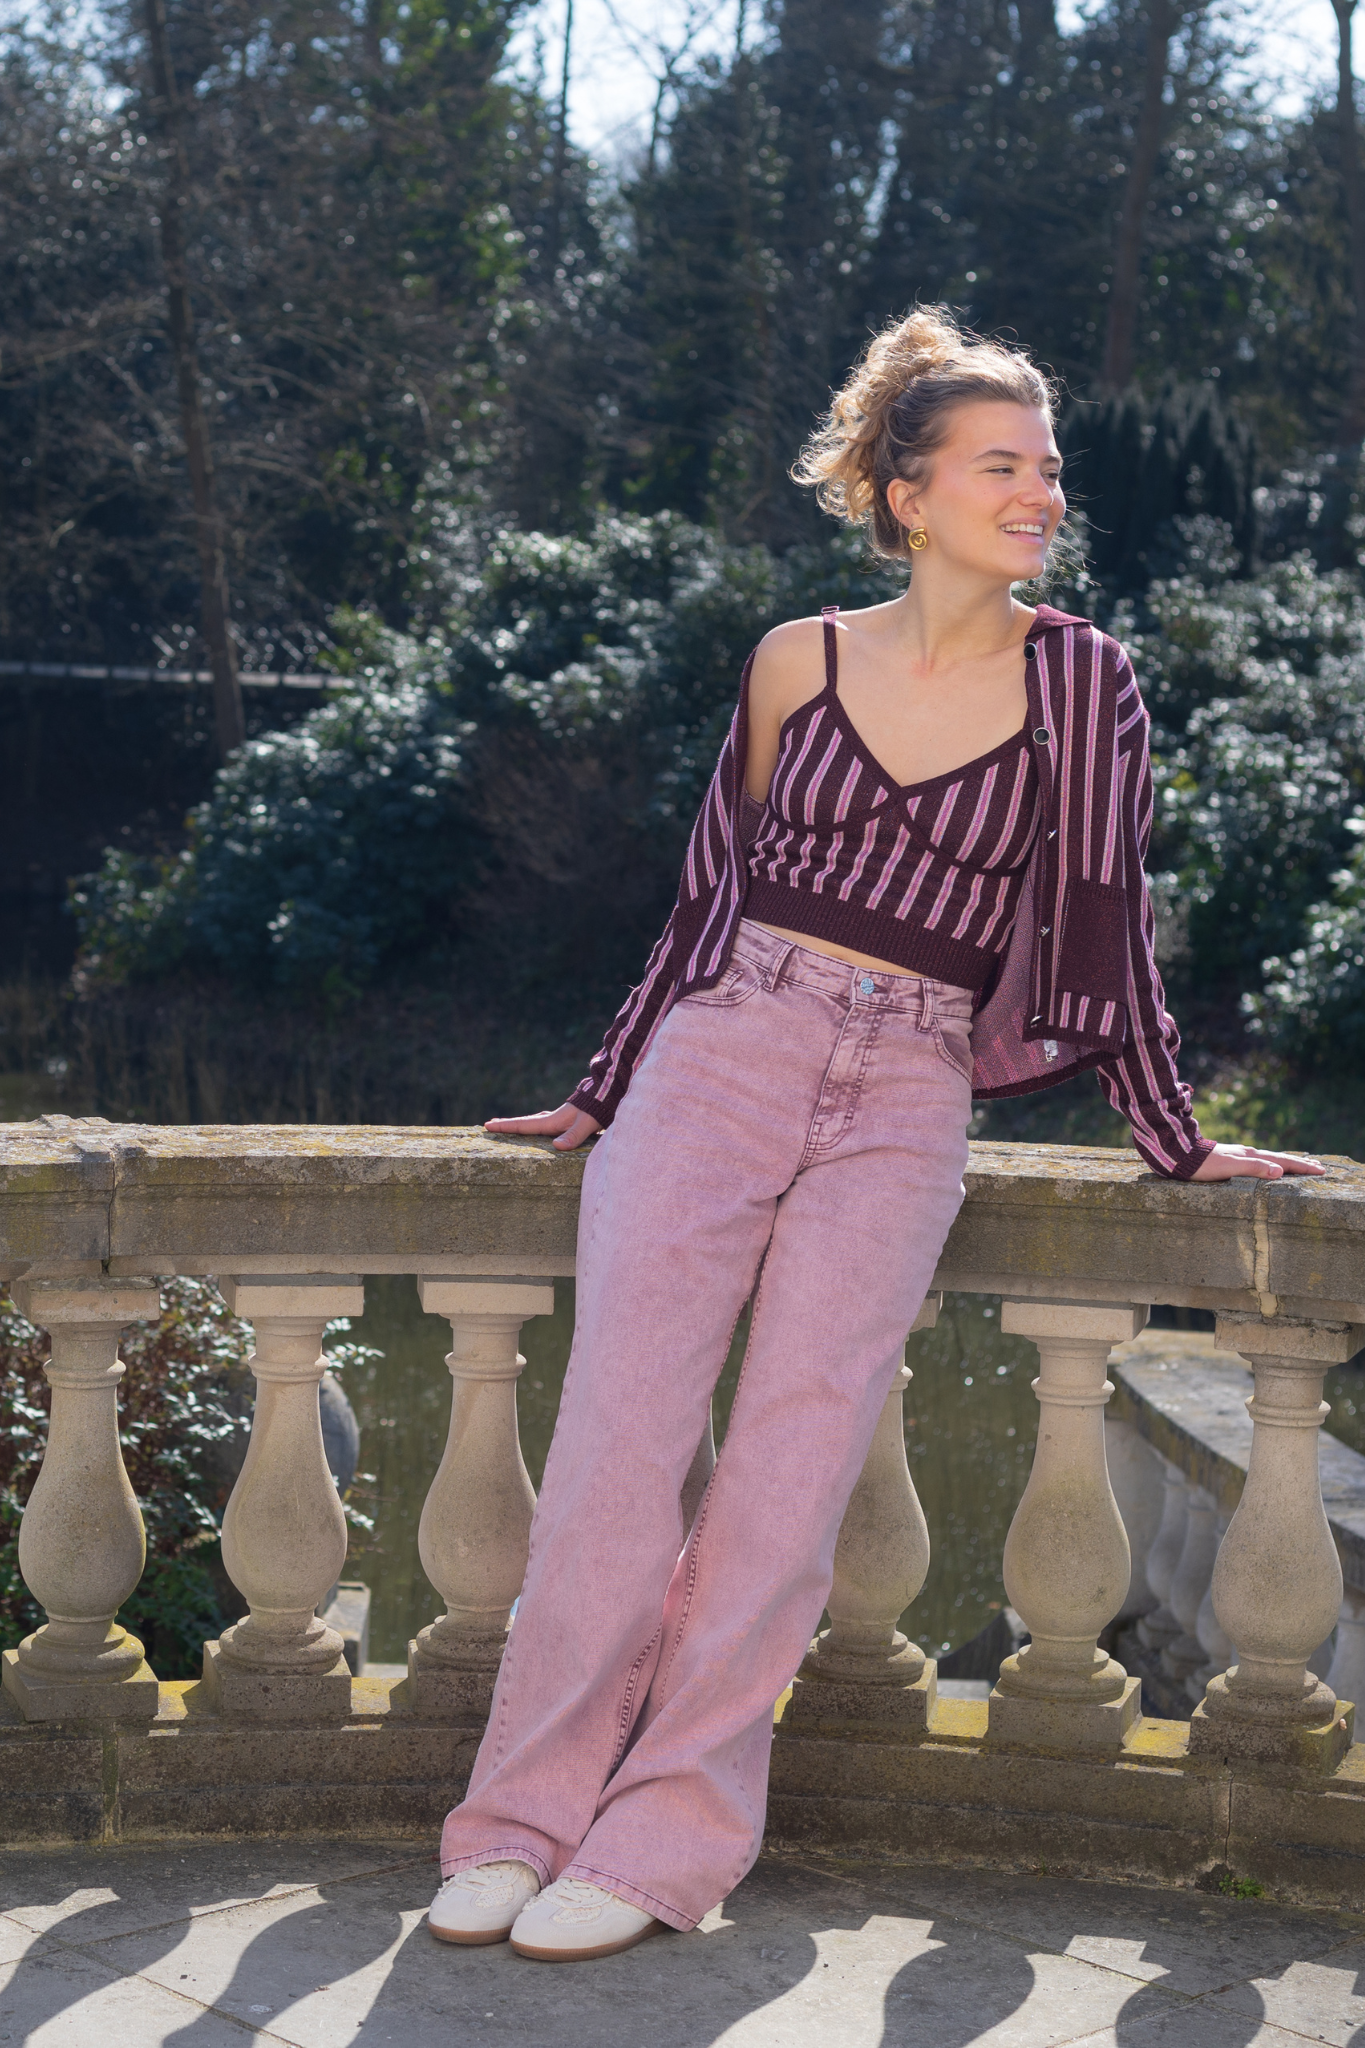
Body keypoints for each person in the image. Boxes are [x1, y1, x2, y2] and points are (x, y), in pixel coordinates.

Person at [427, 307, 1323, 1963]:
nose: (1039, 491)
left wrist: (1173, 1137)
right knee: (619, 1457)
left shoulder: (1088, 688)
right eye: (1002, 465)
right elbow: (704, 907)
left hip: (907, 1094)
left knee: (787, 1488)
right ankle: (517, 1822)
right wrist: (610, 1083)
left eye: (1048, 467)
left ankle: (661, 1847)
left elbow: (1112, 929)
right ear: (908, 495)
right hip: (720, 1056)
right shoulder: (797, 659)